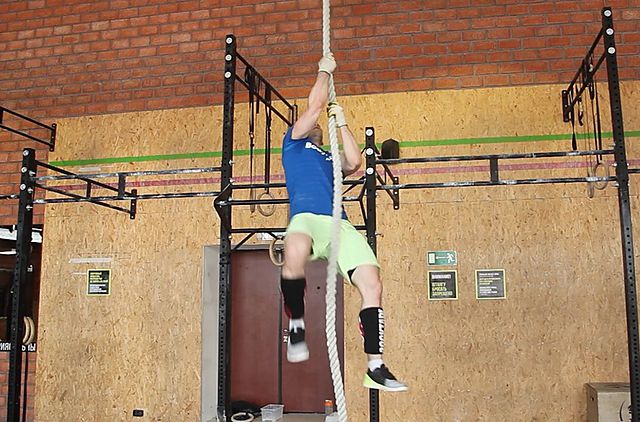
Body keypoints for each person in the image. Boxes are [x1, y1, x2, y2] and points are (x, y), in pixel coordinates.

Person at [279, 53, 408, 392]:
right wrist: (325, 71)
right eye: (314, 124)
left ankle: (375, 365)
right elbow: (314, 108)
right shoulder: (292, 145)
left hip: (338, 222)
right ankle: (295, 325)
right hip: (307, 219)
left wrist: (342, 121)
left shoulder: (328, 156)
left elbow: (354, 161)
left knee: (372, 284)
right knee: (294, 248)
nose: (317, 126)